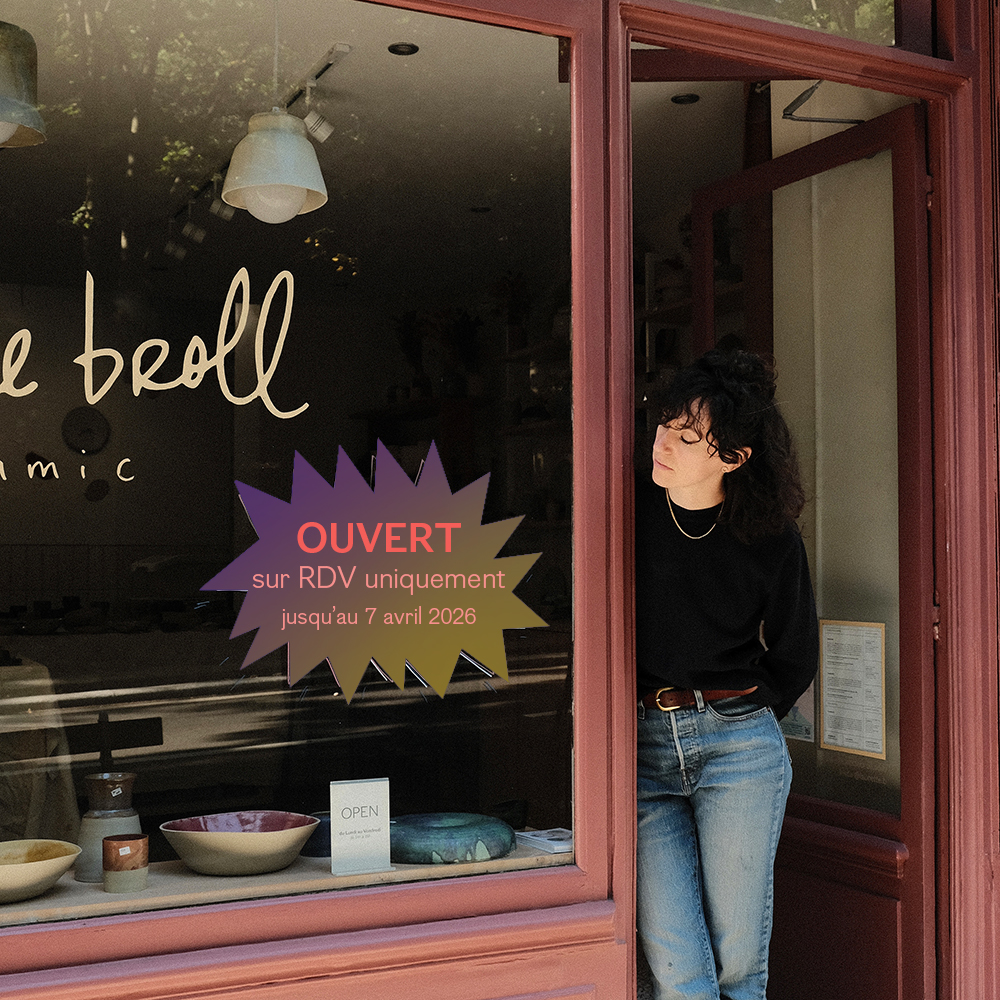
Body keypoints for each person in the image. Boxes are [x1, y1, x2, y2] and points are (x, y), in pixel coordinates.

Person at [635, 347, 819, 1000]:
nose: (662, 443)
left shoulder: (770, 536)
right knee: (680, 970)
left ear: (734, 457)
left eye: (687, 438)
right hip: (640, 752)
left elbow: (796, 653)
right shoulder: (630, 512)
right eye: (664, 425)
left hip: (738, 749)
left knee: (739, 967)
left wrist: (743, 709)